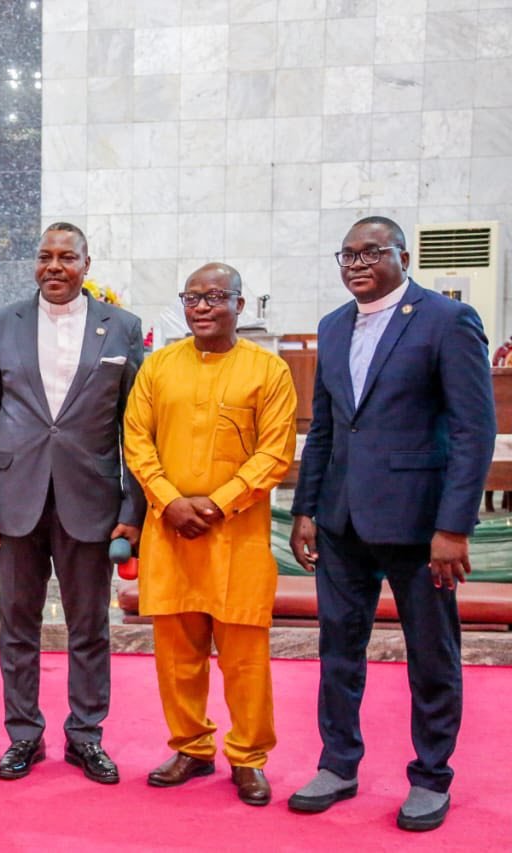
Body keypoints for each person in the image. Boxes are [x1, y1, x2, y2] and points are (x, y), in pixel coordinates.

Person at [288, 216, 496, 831]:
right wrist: (306, 508)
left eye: (371, 251)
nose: (356, 262)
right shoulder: (333, 325)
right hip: (342, 522)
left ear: (403, 256)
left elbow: (472, 429)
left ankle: (431, 776)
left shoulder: (445, 320)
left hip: (420, 526)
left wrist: (453, 527)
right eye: (346, 254)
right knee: (338, 651)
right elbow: (325, 428)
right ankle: (338, 763)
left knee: (432, 656)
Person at [0, 222, 145, 783]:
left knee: (89, 626)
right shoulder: (4, 324)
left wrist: (130, 511)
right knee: (16, 624)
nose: (54, 267)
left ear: (87, 264)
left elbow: (136, 429)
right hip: (15, 498)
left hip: (90, 500)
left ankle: (86, 737)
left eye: (67, 258)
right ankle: (23, 736)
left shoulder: (123, 328)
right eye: (44, 257)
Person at [123, 263, 297, 807]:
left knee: (246, 657)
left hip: (238, 535)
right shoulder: (158, 368)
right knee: (176, 653)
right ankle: (192, 747)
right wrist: (169, 501)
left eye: (215, 297)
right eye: (193, 297)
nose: (202, 307)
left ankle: (248, 757)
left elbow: (276, 453)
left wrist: (219, 504)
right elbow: (135, 440)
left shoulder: (268, 372)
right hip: (169, 532)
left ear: (240, 306)